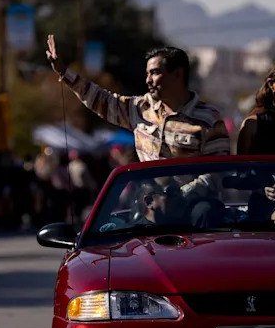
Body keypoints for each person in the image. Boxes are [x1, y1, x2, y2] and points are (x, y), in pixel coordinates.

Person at [46, 35, 229, 221]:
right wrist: (64, 72)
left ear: (178, 74)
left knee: (207, 215)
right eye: (147, 73)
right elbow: (101, 99)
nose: (148, 80)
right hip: (149, 206)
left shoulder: (209, 118)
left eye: (155, 72)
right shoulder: (139, 109)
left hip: (194, 209)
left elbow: (218, 170)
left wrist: (180, 195)